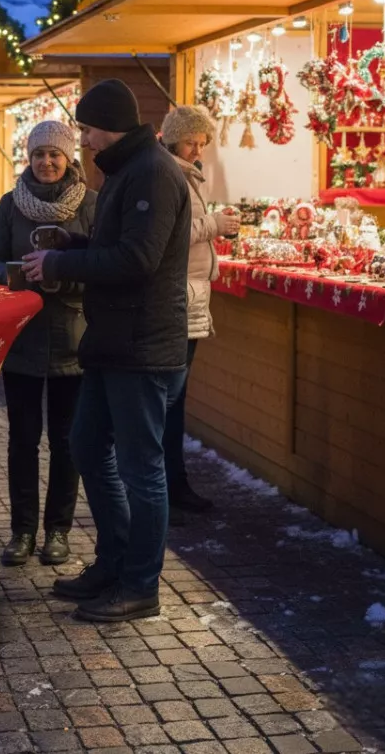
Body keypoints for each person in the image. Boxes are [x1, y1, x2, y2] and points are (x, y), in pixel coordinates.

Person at [22, 79, 191, 623]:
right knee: (88, 446)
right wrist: (73, 243)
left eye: (88, 129)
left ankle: (140, 585)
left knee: (142, 469)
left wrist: (60, 263)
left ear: (109, 125)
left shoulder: (152, 172)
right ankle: (113, 563)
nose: (85, 140)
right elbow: (117, 247)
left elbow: (138, 259)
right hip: (112, 341)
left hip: (143, 345)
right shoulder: (125, 169)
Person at [0, 121, 96, 567]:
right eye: (38, 155)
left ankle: (59, 530)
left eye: (54, 155)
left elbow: (102, 265)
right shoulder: (11, 204)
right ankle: (23, 531)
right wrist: (17, 276)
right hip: (22, 338)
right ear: (28, 159)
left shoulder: (90, 203)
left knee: (67, 442)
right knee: (23, 440)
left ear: (69, 158)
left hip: (74, 339)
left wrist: (63, 274)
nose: (46, 162)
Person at [160, 105, 239, 515]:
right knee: (168, 402)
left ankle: (174, 485)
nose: (197, 149)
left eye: (202, 142)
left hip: (189, 296)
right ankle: (165, 493)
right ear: (174, 138)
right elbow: (171, 233)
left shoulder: (187, 174)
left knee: (174, 401)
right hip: (178, 298)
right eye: (191, 141)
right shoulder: (169, 175)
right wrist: (215, 226)